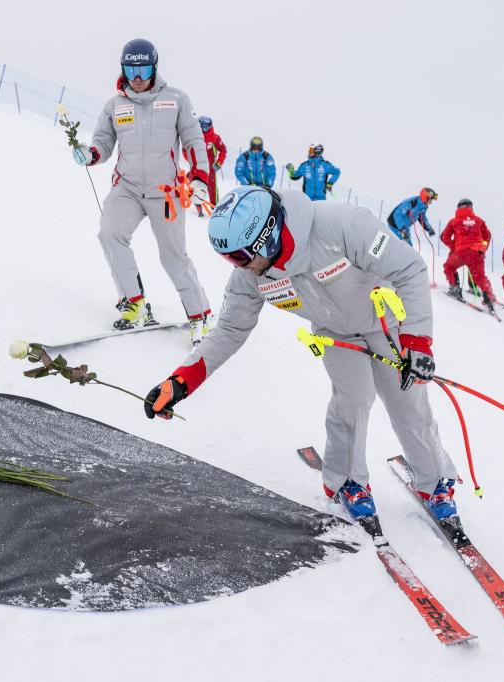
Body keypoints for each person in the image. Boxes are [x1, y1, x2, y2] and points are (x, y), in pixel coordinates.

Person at [143, 186, 460, 526]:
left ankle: (434, 480)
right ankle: (347, 481)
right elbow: (229, 330)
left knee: (407, 403)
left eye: (239, 256)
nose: (240, 267)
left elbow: (409, 268)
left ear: (264, 238)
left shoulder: (343, 225)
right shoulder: (252, 277)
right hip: (336, 333)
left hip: (388, 323)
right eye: (231, 259)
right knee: (351, 402)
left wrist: (418, 341)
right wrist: (180, 381)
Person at [69, 38, 213, 345]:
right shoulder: (115, 105)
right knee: (110, 234)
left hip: (166, 192)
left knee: (173, 257)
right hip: (129, 188)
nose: (137, 75)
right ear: (123, 67)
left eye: (143, 67)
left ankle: (200, 316)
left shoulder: (176, 100)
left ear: (154, 66)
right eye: (131, 68)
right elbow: (103, 143)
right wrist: (91, 153)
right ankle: (133, 302)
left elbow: (194, 142)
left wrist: (200, 178)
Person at [440, 198, 494, 311]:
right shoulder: (478, 220)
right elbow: (487, 236)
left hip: (461, 252)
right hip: (477, 252)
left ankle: (455, 289)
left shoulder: (454, 221)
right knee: (480, 277)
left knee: (449, 267)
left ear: (458, 207)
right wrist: (483, 247)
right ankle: (488, 295)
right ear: (471, 207)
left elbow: (444, 237)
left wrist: (454, 246)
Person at [186, 116, 227, 217]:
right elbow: (185, 149)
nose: (204, 130)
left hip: (210, 169)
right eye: (202, 127)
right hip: (196, 168)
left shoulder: (215, 138)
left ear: (210, 126)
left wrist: (219, 163)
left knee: (212, 189)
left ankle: (215, 208)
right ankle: (198, 208)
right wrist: (192, 161)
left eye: (206, 127)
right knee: (196, 187)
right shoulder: (194, 137)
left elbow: (223, 150)